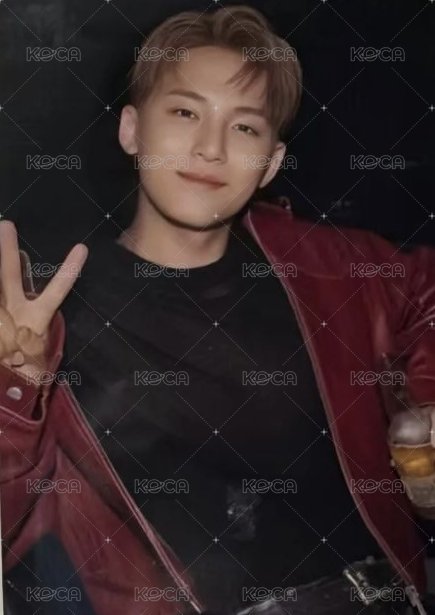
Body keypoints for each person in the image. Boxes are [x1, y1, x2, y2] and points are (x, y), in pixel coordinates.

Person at [0, 4, 434, 615]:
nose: (210, 148)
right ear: (131, 131)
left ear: (271, 162)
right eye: (185, 113)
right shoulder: (48, 311)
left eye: (245, 127)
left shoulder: (323, 267)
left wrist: (423, 406)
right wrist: (15, 391)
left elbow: (425, 295)